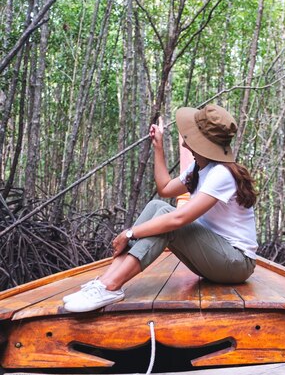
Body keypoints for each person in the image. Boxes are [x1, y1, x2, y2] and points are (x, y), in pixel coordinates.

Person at [63, 104, 258, 313]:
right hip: (216, 257)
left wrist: (130, 233)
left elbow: (178, 219)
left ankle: (110, 285)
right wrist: (158, 147)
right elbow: (165, 189)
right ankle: (104, 282)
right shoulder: (200, 168)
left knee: (168, 216)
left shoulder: (221, 173)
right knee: (157, 205)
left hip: (237, 262)